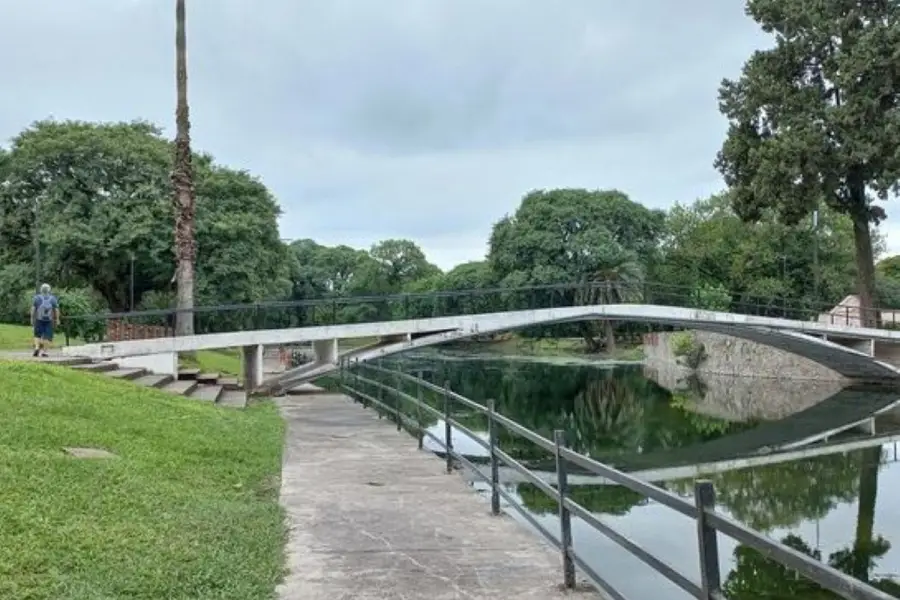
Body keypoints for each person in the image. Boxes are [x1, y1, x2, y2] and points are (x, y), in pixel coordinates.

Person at [31, 283, 60, 358]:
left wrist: (32, 318)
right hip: (49, 320)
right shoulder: (53, 299)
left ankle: (37, 348)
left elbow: (33, 309)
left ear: (41, 290)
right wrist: (57, 319)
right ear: (49, 290)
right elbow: (56, 310)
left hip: (39, 319)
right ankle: (45, 352)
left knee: (37, 335)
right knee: (47, 336)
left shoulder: (37, 298)